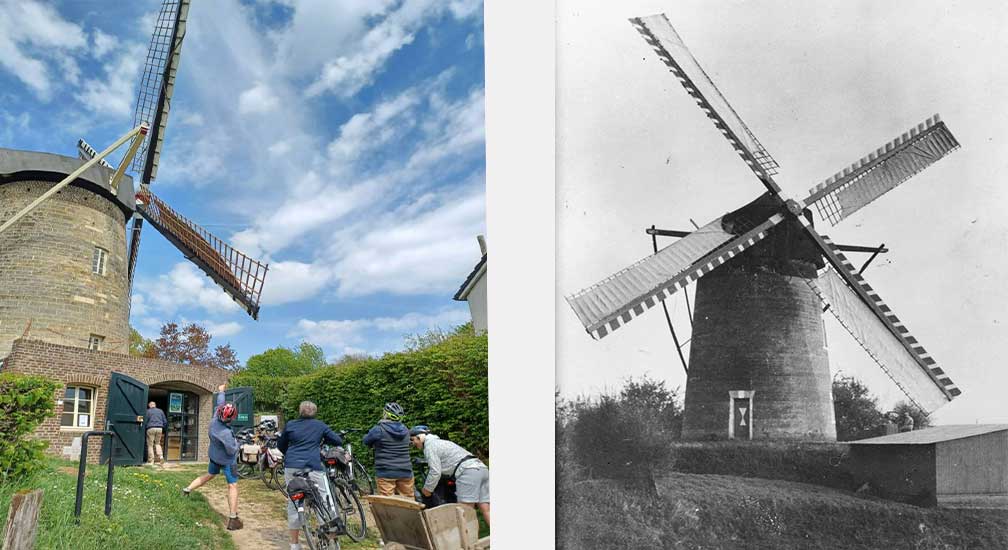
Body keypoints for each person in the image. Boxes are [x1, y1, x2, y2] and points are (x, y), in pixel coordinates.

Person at [278, 400, 343, 550]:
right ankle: (328, 537)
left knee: (294, 502)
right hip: (313, 466)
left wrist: (290, 454)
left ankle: (294, 544)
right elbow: (337, 440)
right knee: (324, 499)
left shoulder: (291, 425)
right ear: (315, 412)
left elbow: (281, 445)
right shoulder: (320, 426)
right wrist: (322, 439)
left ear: (300, 412)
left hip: (292, 467)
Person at [182, 384, 243, 531]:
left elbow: (220, 403)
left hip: (214, 456)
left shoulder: (215, 418)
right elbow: (231, 450)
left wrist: (221, 391)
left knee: (210, 474)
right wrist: (239, 443)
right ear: (231, 418)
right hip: (227, 461)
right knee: (232, 485)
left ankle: (187, 489)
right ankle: (233, 519)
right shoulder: (226, 434)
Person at [410, 425, 490, 527]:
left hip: (468, 472)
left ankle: (469, 542)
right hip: (482, 468)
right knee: (486, 509)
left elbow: (435, 471)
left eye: (413, 440)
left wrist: (427, 489)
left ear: (420, 437)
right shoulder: (442, 442)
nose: (413, 444)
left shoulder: (430, 447)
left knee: (465, 512)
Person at [363, 402, 414, 498]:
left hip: (386, 472)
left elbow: (366, 441)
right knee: (409, 502)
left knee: (388, 503)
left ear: (386, 414)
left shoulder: (378, 429)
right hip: (406, 471)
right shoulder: (406, 430)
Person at [144, 401, 167, 465]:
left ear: (150, 405)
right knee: (157, 443)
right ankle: (161, 457)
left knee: (150, 445)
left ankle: (151, 461)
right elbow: (165, 421)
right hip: (159, 428)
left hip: (151, 428)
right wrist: (163, 427)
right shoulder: (160, 411)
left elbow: (145, 421)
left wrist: (145, 427)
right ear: (155, 405)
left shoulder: (148, 411)